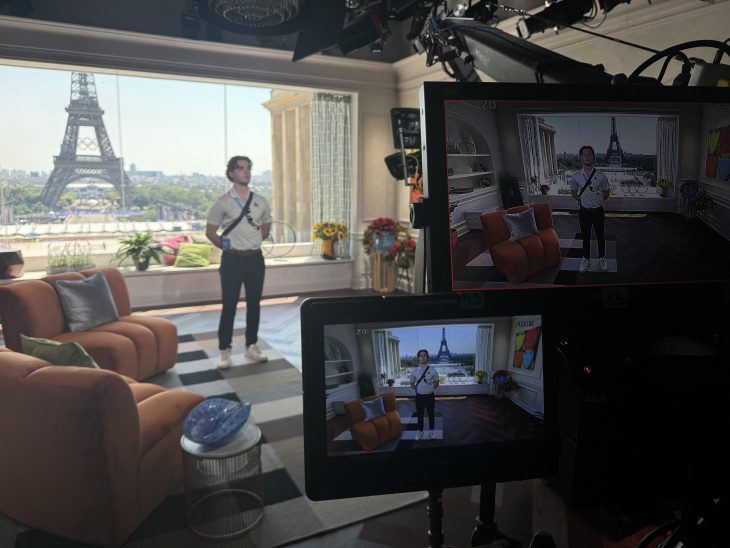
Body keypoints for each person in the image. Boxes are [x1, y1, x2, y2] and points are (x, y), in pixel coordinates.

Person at [206, 155, 272, 369]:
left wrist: (251, 243)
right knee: (229, 306)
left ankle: (251, 346)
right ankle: (225, 350)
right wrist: (228, 248)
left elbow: (266, 228)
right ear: (232, 173)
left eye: (248, 168)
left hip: (255, 260)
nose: (246, 172)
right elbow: (210, 232)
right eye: (241, 168)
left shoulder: (261, 201)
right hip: (232, 261)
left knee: (254, 305)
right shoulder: (223, 202)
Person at [570, 145, 610, 273]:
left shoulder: (601, 175)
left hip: (598, 211)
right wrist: (581, 200)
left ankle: (602, 258)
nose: (587, 156)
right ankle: (586, 258)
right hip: (584, 212)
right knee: (585, 236)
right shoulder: (576, 176)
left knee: (600, 236)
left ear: (594, 157)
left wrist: (597, 201)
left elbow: (606, 192)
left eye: (589, 154)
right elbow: (573, 192)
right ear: (581, 157)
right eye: (584, 154)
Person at [409, 349, 440, 440]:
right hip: (419, 397)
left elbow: (437, 383)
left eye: (424, 355)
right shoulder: (414, 371)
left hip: (430, 396)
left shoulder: (433, 370)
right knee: (420, 415)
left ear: (428, 357)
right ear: (418, 358)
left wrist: (429, 389)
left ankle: (431, 430)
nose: (423, 357)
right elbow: (412, 384)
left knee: (431, 414)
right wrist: (420, 390)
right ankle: (420, 431)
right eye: (421, 355)